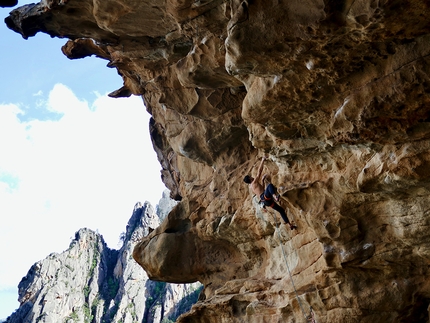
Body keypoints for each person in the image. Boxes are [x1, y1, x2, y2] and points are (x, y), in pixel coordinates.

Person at [244, 156, 297, 230]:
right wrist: (262, 160)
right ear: (250, 178)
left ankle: (289, 224)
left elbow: (261, 189)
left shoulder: (251, 186)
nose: (252, 177)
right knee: (269, 186)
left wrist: (262, 181)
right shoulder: (254, 182)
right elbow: (259, 171)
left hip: (266, 201)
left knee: (281, 210)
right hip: (265, 198)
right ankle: (275, 197)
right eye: (250, 177)